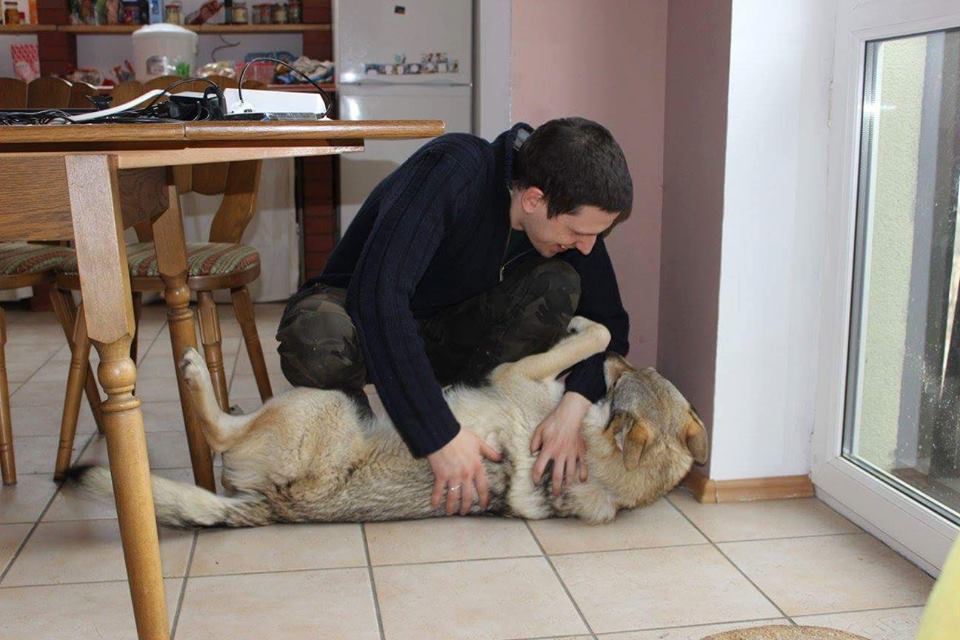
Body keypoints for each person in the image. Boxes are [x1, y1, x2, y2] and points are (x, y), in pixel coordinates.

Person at [276, 117, 632, 516]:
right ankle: (364, 437)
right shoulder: (453, 170)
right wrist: (437, 433)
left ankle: (473, 424)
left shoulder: (573, 215)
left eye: (598, 235)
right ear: (534, 199)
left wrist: (574, 407)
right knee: (315, 333)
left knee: (558, 283)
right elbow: (379, 298)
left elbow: (612, 325)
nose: (587, 247)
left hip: (449, 334)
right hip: (362, 317)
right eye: (579, 232)